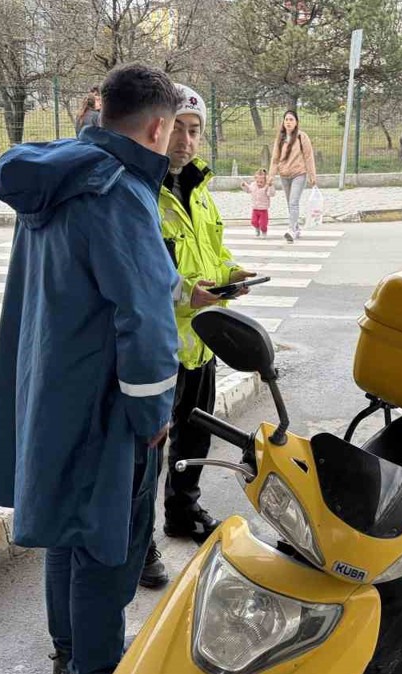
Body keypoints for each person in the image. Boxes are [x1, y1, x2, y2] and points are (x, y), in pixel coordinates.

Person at [0, 63, 182, 674]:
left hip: (52, 393)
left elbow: (90, 280)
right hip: (105, 404)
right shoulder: (120, 193)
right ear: (157, 125)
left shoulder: (59, 179)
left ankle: (67, 658)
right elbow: (145, 321)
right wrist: (154, 413)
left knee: (69, 533)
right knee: (107, 541)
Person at [156, 83, 257, 554]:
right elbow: (140, 272)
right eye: (179, 128)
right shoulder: (143, 193)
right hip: (158, 345)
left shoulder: (199, 190)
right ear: (157, 127)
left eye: (195, 131)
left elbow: (213, 250)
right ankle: (140, 543)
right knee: (148, 449)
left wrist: (232, 272)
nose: (187, 140)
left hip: (200, 339)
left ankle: (182, 511)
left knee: (194, 435)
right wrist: (187, 293)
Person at [269, 110, 318, 243]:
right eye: (286, 120)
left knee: (293, 202)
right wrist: (271, 176)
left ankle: (291, 230)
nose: (288, 122)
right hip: (284, 174)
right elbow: (275, 159)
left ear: (296, 122)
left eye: (291, 120)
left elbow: (308, 157)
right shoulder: (280, 138)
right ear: (283, 122)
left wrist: (312, 175)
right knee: (289, 203)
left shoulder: (302, 137)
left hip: (299, 174)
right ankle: (296, 227)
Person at [243, 169, 276, 237]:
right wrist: (244, 186)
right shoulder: (253, 185)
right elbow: (248, 190)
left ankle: (264, 231)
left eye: (261, 182)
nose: (259, 184)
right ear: (255, 180)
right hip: (255, 208)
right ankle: (257, 228)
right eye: (257, 181)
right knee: (253, 222)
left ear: (265, 181)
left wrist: (270, 186)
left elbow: (271, 194)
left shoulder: (267, 186)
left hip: (263, 209)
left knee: (263, 224)